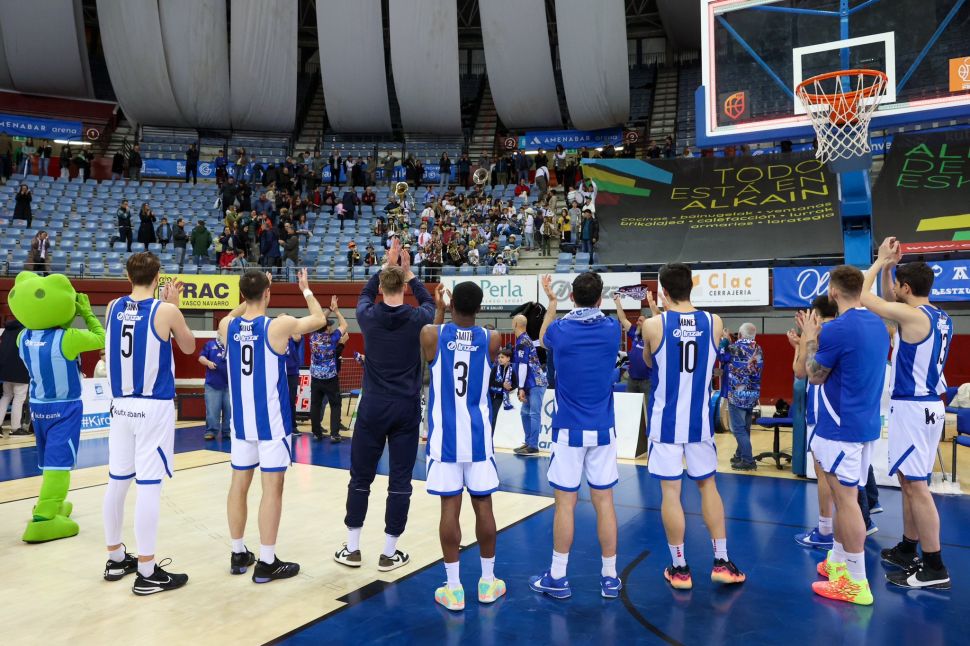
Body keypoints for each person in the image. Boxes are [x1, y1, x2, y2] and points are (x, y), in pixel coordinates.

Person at [641, 263, 746, 590]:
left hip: (666, 423)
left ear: (663, 291)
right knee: (708, 487)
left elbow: (649, 362)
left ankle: (679, 568)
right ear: (691, 287)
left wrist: (659, 314)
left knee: (671, 493)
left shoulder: (652, 325)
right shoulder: (714, 322)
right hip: (699, 423)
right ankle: (721, 561)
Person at [334, 239, 435, 572]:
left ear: (380, 286)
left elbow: (364, 294)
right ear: (403, 288)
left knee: (360, 477)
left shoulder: (368, 316)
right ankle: (389, 553)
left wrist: (386, 267)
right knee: (400, 481)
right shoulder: (418, 318)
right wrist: (408, 273)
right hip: (406, 407)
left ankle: (352, 548)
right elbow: (429, 301)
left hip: (373, 406)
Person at [220, 269, 326, 583]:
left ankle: (238, 553)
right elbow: (320, 319)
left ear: (242, 295)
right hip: (271, 424)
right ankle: (266, 561)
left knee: (238, 485)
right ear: (268, 293)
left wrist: (252, 294)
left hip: (241, 424)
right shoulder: (278, 326)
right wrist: (305, 289)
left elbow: (235, 314)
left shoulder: (227, 325)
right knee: (272, 489)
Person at [102, 253, 196, 595]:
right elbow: (188, 347)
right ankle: (146, 571)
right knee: (149, 486)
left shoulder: (112, 306)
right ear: (158, 277)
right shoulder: (165, 311)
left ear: (128, 276)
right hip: (152, 406)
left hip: (120, 406)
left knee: (117, 481)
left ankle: (115, 558)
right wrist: (174, 306)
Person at [861, 238, 953, 590]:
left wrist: (878, 262)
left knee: (917, 487)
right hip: (928, 405)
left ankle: (934, 566)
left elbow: (865, 297)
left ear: (907, 288)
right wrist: (890, 269)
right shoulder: (938, 316)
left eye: (898, 285)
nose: (894, 291)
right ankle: (908, 548)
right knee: (909, 482)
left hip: (914, 408)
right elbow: (890, 298)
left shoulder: (912, 316)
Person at [528, 273, 623, 600]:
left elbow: (542, 337)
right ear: (599, 299)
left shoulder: (560, 330)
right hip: (603, 429)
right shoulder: (612, 329)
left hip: (568, 430)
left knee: (565, 505)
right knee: (605, 503)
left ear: (572, 297)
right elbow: (613, 321)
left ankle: (558, 576)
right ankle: (610, 577)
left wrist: (551, 303)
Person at [798, 265, 889, 605]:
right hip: (863, 424)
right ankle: (838, 562)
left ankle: (856, 581)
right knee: (843, 499)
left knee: (847, 502)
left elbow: (813, 375)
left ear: (833, 292)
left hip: (840, 428)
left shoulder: (837, 329)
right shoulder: (879, 324)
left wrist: (809, 338)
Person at [420, 281, 505, 610]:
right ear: (480, 308)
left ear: (452, 303)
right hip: (479, 439)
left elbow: (433, 338)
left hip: (445, 440)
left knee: (449, 509)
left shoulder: (432, 334)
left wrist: (440, 309)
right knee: (484, 507)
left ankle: (454, 589)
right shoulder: (492, 338)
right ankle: (487, 582)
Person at [791, 295, 840, 550]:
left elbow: (800, 371)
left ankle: (825, 530)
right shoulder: (843, 330)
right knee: (844, 476)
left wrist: (802, 341)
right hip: (842, 409)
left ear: (816, 315)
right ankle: (857, 521)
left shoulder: (819, 334)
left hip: (821, 409)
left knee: (824, 473)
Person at [718, 323, 764, 471]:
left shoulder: (733, 348)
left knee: (738, 429)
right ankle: (740, 455)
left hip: (737, 395)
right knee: (745, 427)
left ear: (740, 334)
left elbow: (721, 356)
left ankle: (748, 460)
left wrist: (725, 341)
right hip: (752, 394)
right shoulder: (758, 349)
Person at [309, 297, 348, 442]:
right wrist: (336, 311)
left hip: (315, 377)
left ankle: (316, 433)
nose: (331, 327)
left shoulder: (313, 337)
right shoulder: (332, 338)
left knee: (315, 405)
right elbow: (344, 325)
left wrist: (329, 310)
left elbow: (318, 320)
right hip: (330, 378)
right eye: (329, 325)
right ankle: (334, 434)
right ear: (326, 328)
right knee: (335, 404)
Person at [512, 313, 548, 455]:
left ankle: (533, 445)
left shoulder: (522, 341)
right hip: (531, 382)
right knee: (525, 412)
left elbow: (522, 366)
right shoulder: (525, 339)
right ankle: (528, 442)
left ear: (515, 324)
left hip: (535, 382)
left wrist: (520, 387)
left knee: (533, 413)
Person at [0, 317, 30, 436]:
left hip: (5, 369)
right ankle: (16, 428)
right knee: (19, 397)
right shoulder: (25, 330)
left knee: (6, 396)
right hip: (20, 369)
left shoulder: (7, 330)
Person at [199, 335, 231, 441]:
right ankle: (211, 431)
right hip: (213, 384)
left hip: (230, 385)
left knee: (230, 411)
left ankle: (228, 431)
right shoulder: (210, 344)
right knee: (212, 411)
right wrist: (208, 363)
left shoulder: (232, 344)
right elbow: (201, 357)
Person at [488, 348, 516, 431]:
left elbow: (515, 384)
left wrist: (509, 387)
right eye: (499, 357)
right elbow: (491, 382)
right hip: (490, 395)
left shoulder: (511, 370)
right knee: (488, 416)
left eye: (502, 357)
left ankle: (490, 435)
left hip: (500, 397)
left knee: (493, 417)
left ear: (508, 358)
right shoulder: (495, 368)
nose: (500, 359)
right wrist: (503, 385)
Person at [286, 332, 305, 437]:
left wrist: (289, 332)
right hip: (278, 372)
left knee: (291, 400)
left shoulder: (293, 336)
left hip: (292, 372)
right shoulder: (276, 335)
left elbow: (298, 337)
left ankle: (292, 426)